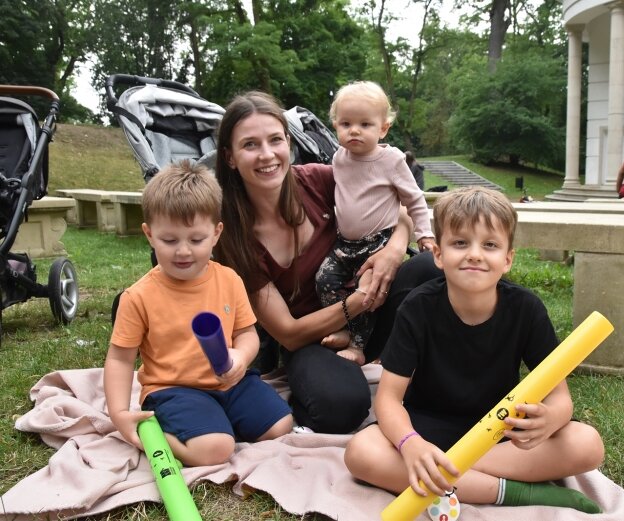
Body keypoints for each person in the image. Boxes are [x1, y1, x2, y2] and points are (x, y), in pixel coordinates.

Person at [344, 187, 604, 513]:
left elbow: (560, 398)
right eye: (460, 243)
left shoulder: (526, 309)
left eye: (490, 245)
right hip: (429, 427)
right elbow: (388, 399)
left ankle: (445, 478)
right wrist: (410, 445)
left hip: (499, 430)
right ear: (438, 254)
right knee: (361, 452)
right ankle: (517, 492)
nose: (475, 254)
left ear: (508, 259)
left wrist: (551, 418)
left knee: (587, 444)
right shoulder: (417, 307)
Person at [212, 91, 441, 434]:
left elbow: (401, 209)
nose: (267, 154)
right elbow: (288, 333)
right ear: (230, 157)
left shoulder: (319, 179)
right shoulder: (233, 236)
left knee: (428, 270)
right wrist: (360, 301)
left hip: (371, 312)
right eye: (250, 145)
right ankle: (314, 389)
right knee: (340, 407)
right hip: (314, 337)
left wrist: (394, 250)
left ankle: (445, 379)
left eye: (275, 140)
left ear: (288, 143)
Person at [104, 161, 294, 467]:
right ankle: (157, 430)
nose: (183, 251)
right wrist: (119, 414)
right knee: (217, 449)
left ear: (216, 233)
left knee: (280, 425)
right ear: (149, 234)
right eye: (169, 240)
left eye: (196, 240)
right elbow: (120, 358)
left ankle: (216, 423)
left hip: (231, 383)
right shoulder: (138, 297)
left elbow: (246, 334)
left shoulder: (229, 280)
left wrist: (241, 359)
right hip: (174, 390)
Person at [315, 81, 435, 365]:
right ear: (335, 126)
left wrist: (425, 233)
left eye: (365, 124)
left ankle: (359, 347)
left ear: (383, 128)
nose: (354, 130)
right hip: (344, 244)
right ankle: (344, 328)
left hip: (377, 243)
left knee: (367, 292)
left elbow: (414, 199)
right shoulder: (339, 158)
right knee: (323, 279)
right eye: (346, 123)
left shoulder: (390, 159)